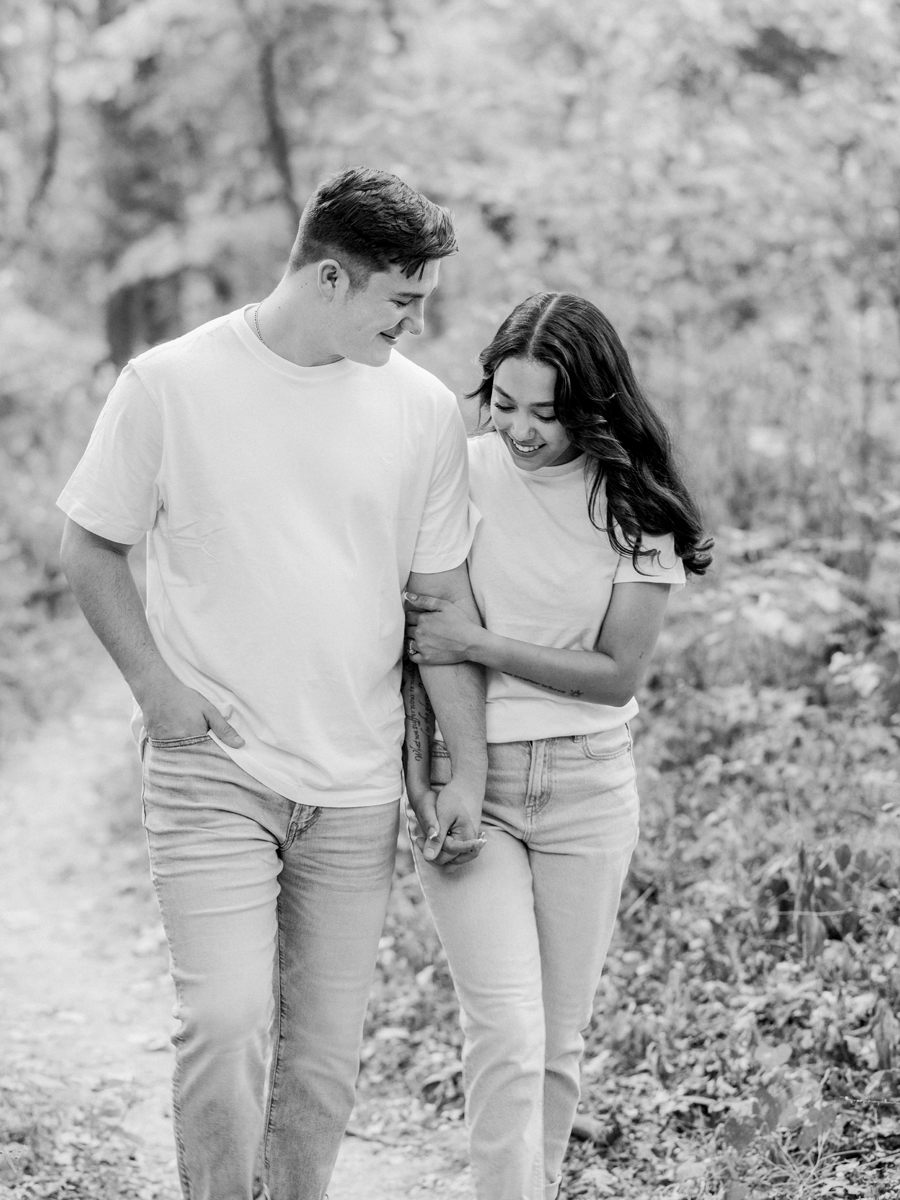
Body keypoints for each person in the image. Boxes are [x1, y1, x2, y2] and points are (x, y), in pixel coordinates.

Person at [57, 166, 487, 1200]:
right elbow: (89, 546)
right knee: (225, 1022)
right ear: (331, 278)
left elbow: (436, 607)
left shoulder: (422, 411)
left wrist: (453, 762)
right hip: (215, 768)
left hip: (353, 785)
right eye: (403, 301)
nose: (416, 326)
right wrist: (158, 690)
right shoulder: (170, 383)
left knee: (323, 1064)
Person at [402, 292, 712, 1200]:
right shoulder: (452, 473)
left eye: (547, 411)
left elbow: (617, 673)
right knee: (505, 1027)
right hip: (476, 783)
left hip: (588, 786)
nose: (521, 430)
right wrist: (426, 770)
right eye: (503, 403)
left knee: (560, 1037)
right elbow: (417, 644)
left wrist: (483, 644)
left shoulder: (634, 505)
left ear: (593, 403)